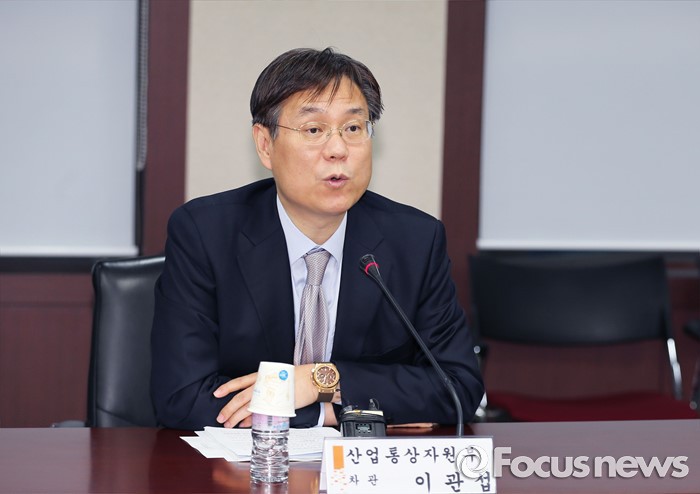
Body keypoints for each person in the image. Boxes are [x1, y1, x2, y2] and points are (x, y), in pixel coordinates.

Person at [151, 47, 483, 430]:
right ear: (265, 144)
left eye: (353, 128)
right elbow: (181, 396)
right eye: (314, 130)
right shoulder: (205, 233)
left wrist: (320, 381)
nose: (338, 150)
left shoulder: (415, 241)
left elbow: (458, 388)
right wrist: (335, 414)